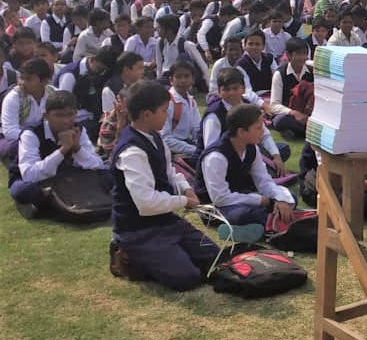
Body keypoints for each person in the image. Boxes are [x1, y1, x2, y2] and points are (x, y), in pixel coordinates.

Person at [109, 81, 219, 291]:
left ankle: (169, 252)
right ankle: (128, 255)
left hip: (165, 220)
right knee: (187, 277)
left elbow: (170, 172)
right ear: (146, 115)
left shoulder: (156, 138)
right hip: (138, 229)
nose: (167, 115)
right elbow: (146, 203)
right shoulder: (131, 152)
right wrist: (183, 201)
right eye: (163, 111)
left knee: (214, 257)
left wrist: (186, 188)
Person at [9, 90, 109, 219]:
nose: (66, 121)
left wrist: (77, 148)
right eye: (59, 116)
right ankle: (51, 200)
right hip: (39, 180)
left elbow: (97, 165)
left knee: (109, 174)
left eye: (70, 115)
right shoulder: (31, 134)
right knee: (24, 190)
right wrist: (63, 149)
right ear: (46, 116)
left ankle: (53, 203)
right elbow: (30, 175)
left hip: (67, 175)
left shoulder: (78, 130)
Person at [194, 104, 296, 226]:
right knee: (245, 215)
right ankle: (269, 222)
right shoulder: (216, 157)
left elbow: (263, 181)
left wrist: (279, 199)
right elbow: (220, 198)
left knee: (289, 198)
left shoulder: (252, 148)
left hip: (243, 195)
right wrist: (260, 200)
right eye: (258, 128)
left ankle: (270, 220)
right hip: (216, 206)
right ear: (242, 132)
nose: (263, 132)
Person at [200, 68, 290, 173]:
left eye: (235, 88)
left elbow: (264, 134)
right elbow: (210, 148)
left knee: (282, 149)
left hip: (250, 149)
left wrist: (276, 156)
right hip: (225, 156)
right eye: (226, 89)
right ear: (219, 92)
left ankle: (264, 167)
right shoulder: (214, 114)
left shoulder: (248, 106)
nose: (231, 93)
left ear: (243, 89)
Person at [0, 58, 54, 164]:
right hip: (12, 140)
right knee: (18, 147)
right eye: (21, 78)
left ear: (44, 81)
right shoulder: (13, 97)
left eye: (28, 79)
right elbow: (10, 132)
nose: (22, 83)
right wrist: (35, 138)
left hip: (43, 138)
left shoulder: (53, 95)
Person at [268, 38, 313, 139]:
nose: (302, 57)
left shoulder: (311, 72)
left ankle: (297, 132)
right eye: (298, 54)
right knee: (279, 121)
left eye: (304, 53)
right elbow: (274, 105)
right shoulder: (280, 74)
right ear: (288, 55)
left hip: (308, 114)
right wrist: (294, 113)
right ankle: (307, 132)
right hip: (290, 114)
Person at [159, 61, 202, 161]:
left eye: (186, 76)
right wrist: (194, 149)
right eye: (178, 77)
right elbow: (165, 138)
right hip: (171, 149)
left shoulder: (191, 101)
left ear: (193, 79)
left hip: (186, 144)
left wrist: (201, 145)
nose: (183, 81)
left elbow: (197, 129)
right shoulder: (168, 101)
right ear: (171, 80)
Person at [154, 14, 208, 86]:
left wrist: (208, 85)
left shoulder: (186, 45)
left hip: (182, 77)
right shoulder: (160, 43)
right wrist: (159, 81)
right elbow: (159, 65)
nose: (157, 31)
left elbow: (202, 65)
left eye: (160, 28)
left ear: (169, 30)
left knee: (183, 56)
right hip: (167, 77)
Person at [236, 29, 277, 94]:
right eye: (250, 44)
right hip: (252, 97)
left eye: (257, 44)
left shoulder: (269, 59)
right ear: (245, 46)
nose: (254, 47)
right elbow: (248, 90)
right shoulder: (241, 65)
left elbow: (277, 78)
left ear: (263, 46)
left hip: (271, 94)